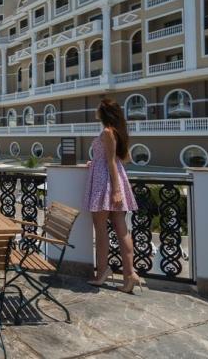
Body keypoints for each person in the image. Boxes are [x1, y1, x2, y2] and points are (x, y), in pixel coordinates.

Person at [84, 98, 142, 293]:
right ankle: (129, 275)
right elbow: (122, 158)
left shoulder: (108, 132)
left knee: (101, 230)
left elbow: (110, 162)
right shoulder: (118, 132)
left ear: (103, 113)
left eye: (98, 109)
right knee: (121, 229)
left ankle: (102, 272)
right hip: (110, 177)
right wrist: (95, 162)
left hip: (105, 182)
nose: (96, 111)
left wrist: (116, 190)